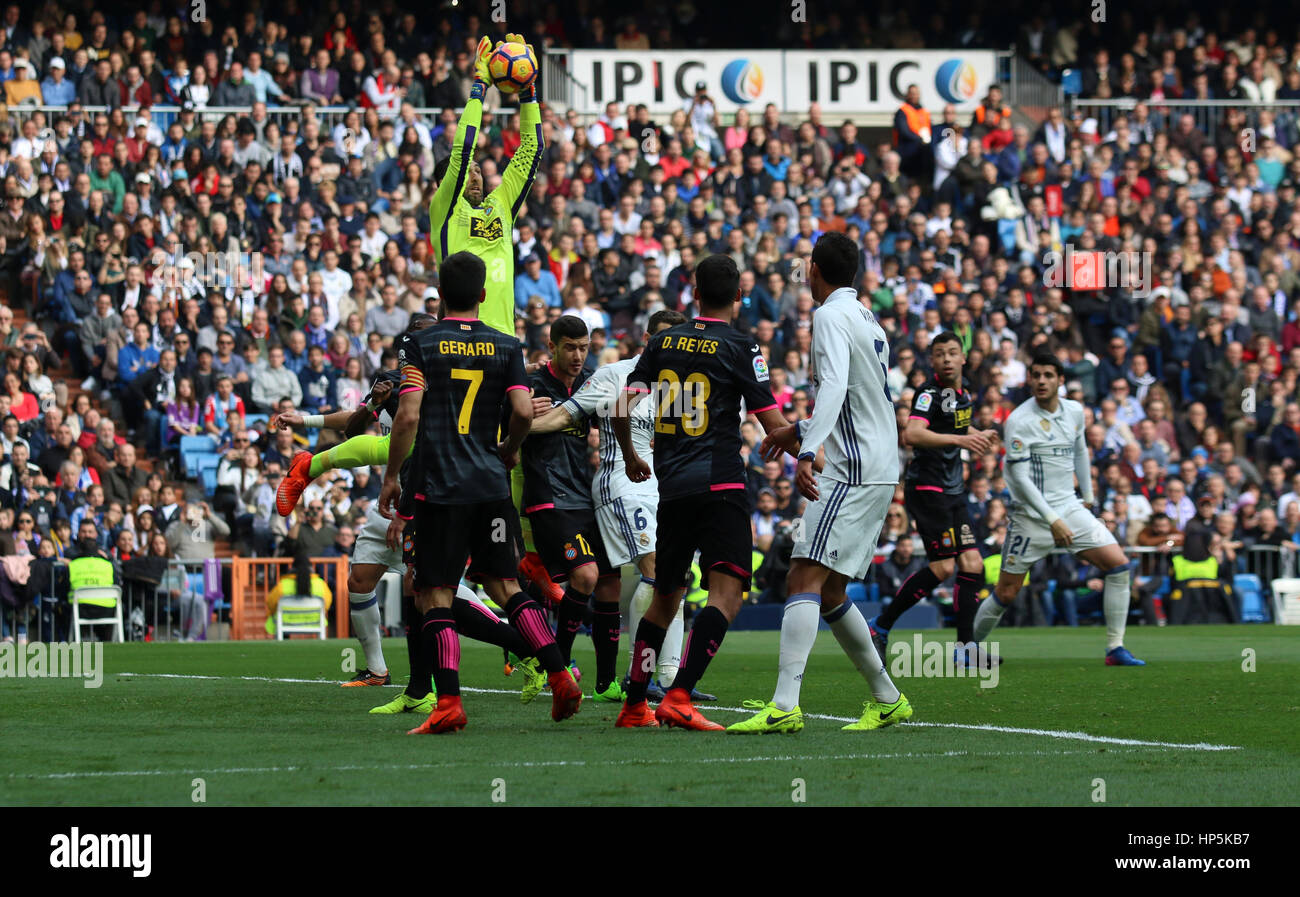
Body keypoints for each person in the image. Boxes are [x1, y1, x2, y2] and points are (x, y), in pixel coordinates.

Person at [378, 250, 581, 733]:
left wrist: (392, 476)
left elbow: (406, 416)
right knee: (506, 585)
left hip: (440, 488)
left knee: (436, 593)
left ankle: (448, 702)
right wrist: (509, 448)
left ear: (442, 294)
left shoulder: (422, 345)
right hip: (490, 484)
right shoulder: (506, 345)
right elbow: (523, 410)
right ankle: (558, 672)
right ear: (484, 296)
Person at [729, 232, 912, 733]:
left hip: (852, 467)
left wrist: (808, 450)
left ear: (814, 269)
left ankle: (785, 705)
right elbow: (861, 399)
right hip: (877, 461)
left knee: (802, 578)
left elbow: (834, 387)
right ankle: (888, 697)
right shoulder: (868, 318)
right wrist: (801, 429)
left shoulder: (830, 314)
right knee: (828, 589)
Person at [613, 253, 790, 729]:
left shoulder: (663, 341)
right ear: (738, 296)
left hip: (670, 488)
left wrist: (633, 457)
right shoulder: (739, 345)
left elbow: (622, 404)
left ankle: (634, 704)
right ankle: (679, 695)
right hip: (720, 484)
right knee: (726, 594)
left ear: (693, 292)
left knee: (666, 597)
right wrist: (813, 441)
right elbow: (772, 424)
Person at [529, 309, 716, 701]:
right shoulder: (616, 375)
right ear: (648, 340)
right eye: (663, 339)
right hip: (623, 484)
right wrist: (514, 430)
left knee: (673, 575)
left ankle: (667, 676)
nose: (671, 347)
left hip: (661, 488)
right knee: (652, 569)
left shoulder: (679, 387)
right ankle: (638, 677)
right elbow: (564, 415)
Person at [975, 352, 1145, 666]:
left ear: (1060, 380)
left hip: (1069, 506)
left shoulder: (1075, 411)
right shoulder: (1019, 421)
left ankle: (1115, 648)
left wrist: (1090, 498)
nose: (1041, 381)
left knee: (1119, 566)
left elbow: (1080, 450)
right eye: (1036, 375)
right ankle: (966, 648)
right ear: (1029, 380)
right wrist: (1052, 519)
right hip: (1031, 516)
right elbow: (1019, 477)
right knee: (1008, 591)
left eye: (1048, 375)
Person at [869, 331, 997, 664]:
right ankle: (880, 626)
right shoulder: (928, 393)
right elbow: (912, 433)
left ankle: (965, 649)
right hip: (928, 489)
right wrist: (960, 442)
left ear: (963, 358)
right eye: (940, 354)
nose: (947, 359)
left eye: (953, 353)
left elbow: (955, 429)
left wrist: (977, 434)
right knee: (942, 567)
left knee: (973, 564)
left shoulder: (963, 392)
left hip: (953, 490)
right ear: (932, 361)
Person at [518, 314, 624, 700]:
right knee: (585, 578)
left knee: (611, 582)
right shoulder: (531, 385)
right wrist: (521, 411)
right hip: (549, 498)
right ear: (552, 346)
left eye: (584, 347)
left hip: (587, 495)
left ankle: (606, 682)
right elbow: (501, 429)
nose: (579, 355)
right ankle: (558, 669)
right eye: (570, 348)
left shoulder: (590, 383)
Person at [427, 32, 541, 336]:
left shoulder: (501, 205)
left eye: (479, 170)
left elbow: (532, 150)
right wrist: (480, 85)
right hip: (460, 337)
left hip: (504, 337)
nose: (475, 175)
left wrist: (528, 94)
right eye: (469, 171)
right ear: (444, 183)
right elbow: (462, 151)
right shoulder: (445, 210)